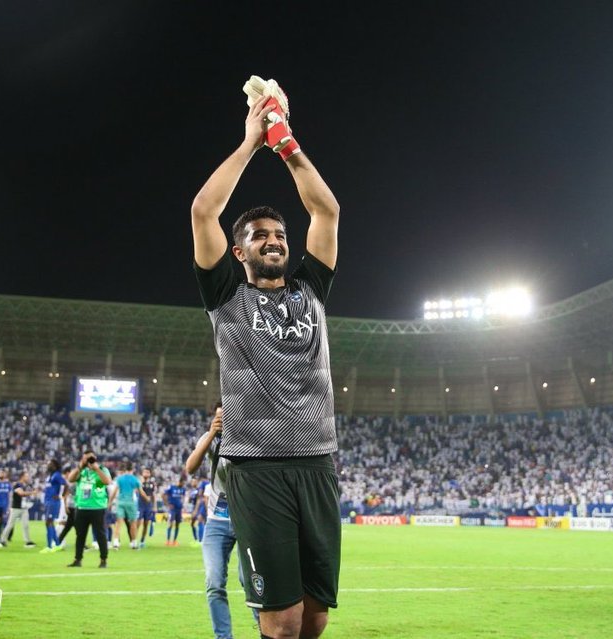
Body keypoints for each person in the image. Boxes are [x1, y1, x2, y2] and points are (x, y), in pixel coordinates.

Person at [191, 81, 341, 638]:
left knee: (315, 617)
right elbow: (204, 210)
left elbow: (325, 209)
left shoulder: (312, 290)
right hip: (256, 467)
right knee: (279, 622)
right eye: (259, 236)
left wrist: (288, 144)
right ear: (239, 251)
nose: (274, 241)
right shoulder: (227, 295)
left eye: (279, 234)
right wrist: (253, 141)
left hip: (318, 461)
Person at [185, 401, 260, 639]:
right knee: (214, 582)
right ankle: (223, 637)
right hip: (217, 520)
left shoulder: (251, 439)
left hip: (247, 520)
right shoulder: (211, 440)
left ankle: (267, 631)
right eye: (219, 417)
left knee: (248, 580)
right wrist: (212, 433)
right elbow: (190, 467)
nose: (223, 421)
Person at [66, 449, 112, 568]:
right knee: (80, 535)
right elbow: (70, 479)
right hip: (82, 507)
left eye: (90, 458)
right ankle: (78, 560)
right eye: (85, 458)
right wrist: (80, 467)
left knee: (100, 534)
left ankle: (103, 560)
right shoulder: (81, 470)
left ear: (95, 458)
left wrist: (96, 469)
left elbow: (107, 481)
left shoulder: (102, 469)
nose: (88, 461)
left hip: (97, 507)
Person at [108, 460, 149, 550]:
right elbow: (141, 492)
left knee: (119, 523)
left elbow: (114, 492)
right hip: (131, 502)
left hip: (121, 502)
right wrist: (147, 499)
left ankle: (115, 542)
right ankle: (133, 543)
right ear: (132, 469)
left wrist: (110, 502)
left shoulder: (120, 479)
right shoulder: (135, 479)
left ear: (125, 469)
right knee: (133, 523)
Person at [0, 470, 36, 547]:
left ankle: (27, 541)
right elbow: (21, 493)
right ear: (22, 476)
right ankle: (2, 540)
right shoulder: (17, 484)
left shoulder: (26, 485)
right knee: (10, 524)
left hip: (24, 508)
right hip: (16, 508)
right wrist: (32, 493)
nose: (28, 477)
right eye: (26, 476)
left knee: (25, 525)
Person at [40, 459, 66, 553]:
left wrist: (60, 495)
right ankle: (57, 544)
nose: (48, 465)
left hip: (53, 502)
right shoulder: (50, 476)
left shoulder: (57, 475)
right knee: (49, 522)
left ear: (54, 466)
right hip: (48, 501)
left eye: (49, 464)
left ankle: (49, 546)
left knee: (49, 522)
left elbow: (65, 485)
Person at [137, 467, 157, 548]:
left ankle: (142, 541)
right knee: (137, 523)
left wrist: (154, 506)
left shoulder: (152, 484)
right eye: (145, 472)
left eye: (148, 472)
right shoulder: (139, 482)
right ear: (142, 473)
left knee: (146, 524)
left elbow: (153, 495)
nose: (146, 474)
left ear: (150, 474)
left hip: (148, 506)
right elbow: (137, 490)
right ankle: (134, 540)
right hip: (140, 505)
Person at [163, 475, 186, 547]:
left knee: (177, 524)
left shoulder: (183, 489)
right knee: (170, 523)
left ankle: (174, 541)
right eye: (182, 483)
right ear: (179, 482)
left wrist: (182, 504)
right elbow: (163, 494)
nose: (183, 484)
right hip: (172, 509)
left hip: (179, 509)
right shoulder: (171, 487)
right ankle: (168, 540)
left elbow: (183, 497)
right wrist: (167, 504)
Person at [56, 467, 76, 549]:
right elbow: (65, 495)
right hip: (68, 505)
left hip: (69, 505)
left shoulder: (69, 482)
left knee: (69, 525)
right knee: (63, 523)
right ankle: (59, 541)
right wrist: (66, 506)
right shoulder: (68, 483)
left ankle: (58, 541)